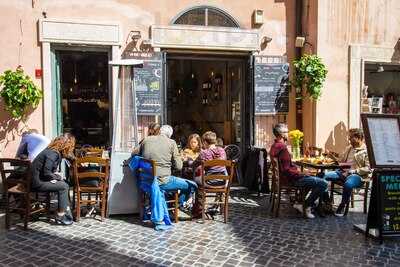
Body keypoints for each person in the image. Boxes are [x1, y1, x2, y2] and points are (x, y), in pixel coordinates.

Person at [269, 123, 328, 219]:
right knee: (323, 183)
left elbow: (285, 168)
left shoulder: (274, 146)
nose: (288, 134)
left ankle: (300, 202)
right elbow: (287, 170)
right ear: (281, 134)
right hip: (292, 179)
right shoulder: (283, 148)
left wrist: (302, 172)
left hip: (288, 178)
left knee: (317, 177)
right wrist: (301, 173)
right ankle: (306, 206)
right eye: (286, 132)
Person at [140, 124, 198, 209]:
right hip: (162, 181)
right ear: (170, 135)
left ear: (160, 131)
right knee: (192, 185)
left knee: (171, 185)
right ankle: (179, 205)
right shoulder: (171, 142)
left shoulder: (146, 140)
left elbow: (134, 153)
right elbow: (179, 166)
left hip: (146, 180)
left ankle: (170, 206)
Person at [323, 128, 372, 216]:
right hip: (342, 172)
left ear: (358, 138)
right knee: (321, 175)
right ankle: (327, 203)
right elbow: (341, 160)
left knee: (348, 184)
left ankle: (343, 205)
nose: (349, 139)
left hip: (357, 175)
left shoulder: (366, 151)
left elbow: (368, 168)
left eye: (350, 137)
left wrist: (354, 171)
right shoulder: (349, 148)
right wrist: (332, 156)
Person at [31, 134, 76, 225]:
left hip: (39, 180)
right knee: (64, 186)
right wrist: (58, 177)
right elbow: (47, 173)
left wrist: (55, 176)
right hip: (37, 183)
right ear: (66, 146)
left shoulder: (52, 151)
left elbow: (48, 171)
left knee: (63, 184)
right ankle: (61, 214)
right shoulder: (53, 153)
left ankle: (65, 210)